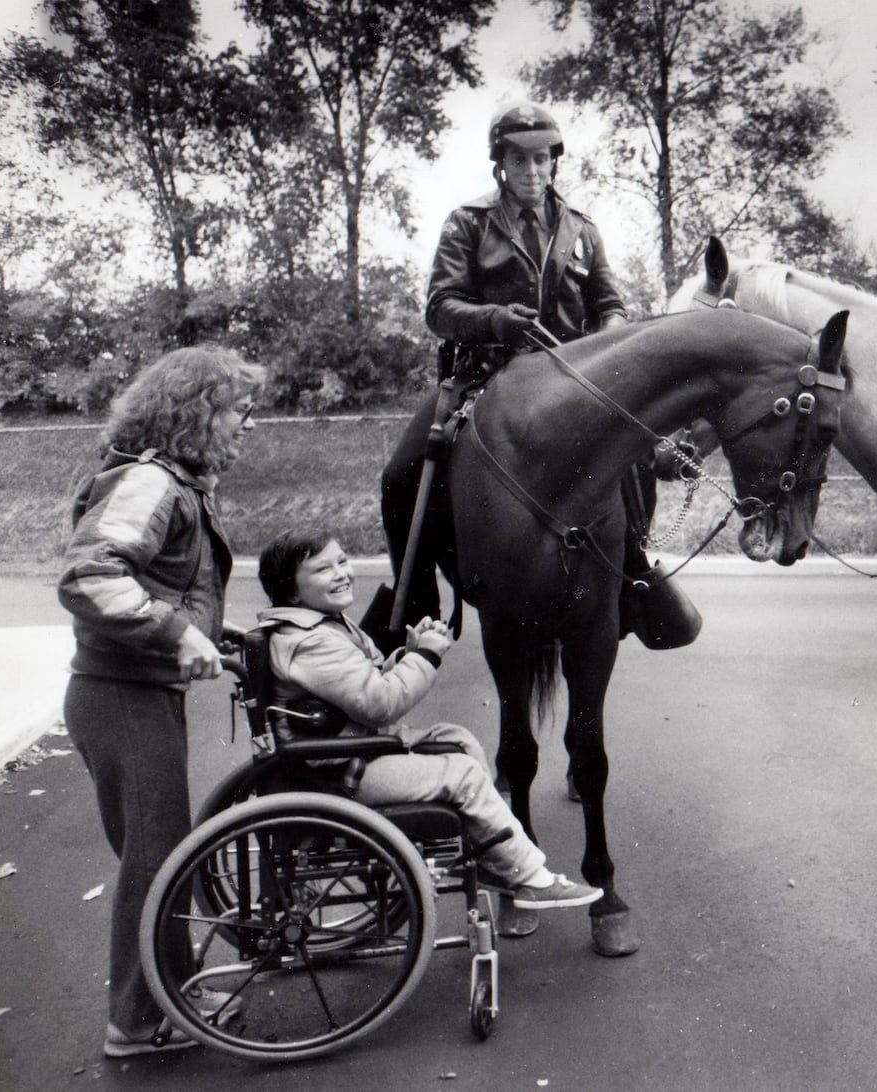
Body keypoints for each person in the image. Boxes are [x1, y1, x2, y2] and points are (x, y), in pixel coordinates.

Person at [381, 98, 699, 646]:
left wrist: (607, 343)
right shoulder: (468, 223)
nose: (532, 171)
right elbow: (439, 308)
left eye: (542, 160)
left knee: (636, 455)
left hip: (576, 384)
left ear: (555, 162)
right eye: (520, 161)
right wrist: (494, 320)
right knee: (400, 477)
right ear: (500, 164)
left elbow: (611, 303)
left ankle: (631, 571)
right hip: (484, 380)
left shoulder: (582, 230)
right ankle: (416, 598)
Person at [58, 345, 264, 1057]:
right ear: (199, 411)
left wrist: (209, 628)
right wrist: (176, 629)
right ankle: (136, 1023)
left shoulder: (176, 482)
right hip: (120, 696)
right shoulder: (151, 481)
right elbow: (90, 575)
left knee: (161, 855)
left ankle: (168, 995)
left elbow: (161, 581)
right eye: (239, 409)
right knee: (154, 859)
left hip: (132, 691)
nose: (248, 424)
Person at [254, 528, 602, 910]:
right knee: (462, 774)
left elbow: (359, 686)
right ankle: (533, 878)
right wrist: (427, 657)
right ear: (290, 590)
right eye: (323, 569)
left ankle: (490, 855)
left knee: (458, 739)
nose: (341, 573)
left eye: (342, 561)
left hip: (341, 753)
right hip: (335, 773)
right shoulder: (311, 641)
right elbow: (380, 704)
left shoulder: (320, 624)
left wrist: (409, 653)